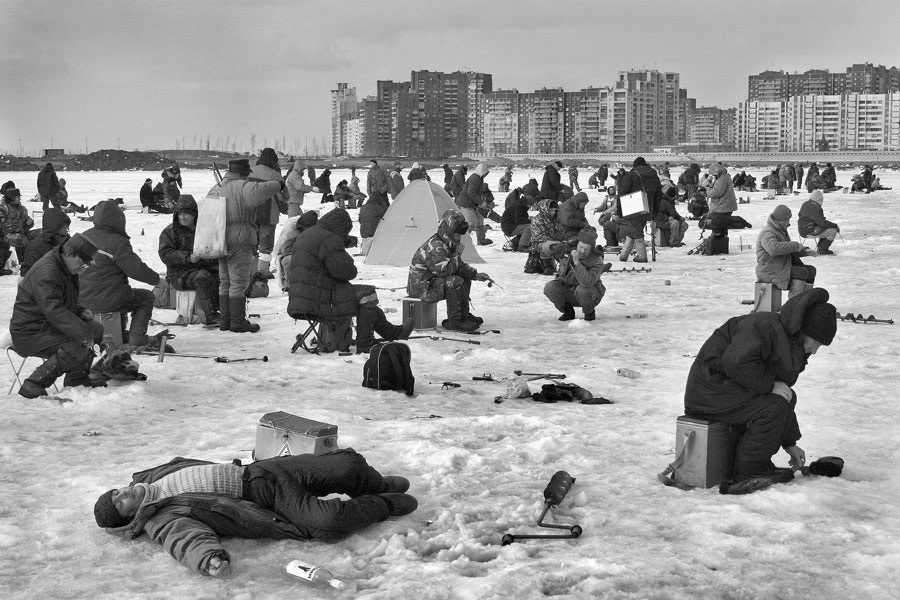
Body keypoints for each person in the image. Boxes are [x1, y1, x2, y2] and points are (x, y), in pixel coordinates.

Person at [92, 450, 417, 577]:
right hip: (265, 497)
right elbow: (184, 540)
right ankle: (383, 504)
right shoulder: (160, 519)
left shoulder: (149, 476)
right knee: (327, 522)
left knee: (345, 464)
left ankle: (376, 485)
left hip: (260, 470)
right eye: (119, 503)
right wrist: (207, 559)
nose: (122, 494)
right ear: (129, 518)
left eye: (115, 493)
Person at [684, 288, 837, 493]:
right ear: (803, 331)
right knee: (773, 405)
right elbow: (736, 361)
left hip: (726, 391)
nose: (815, 350)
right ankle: (750, 471)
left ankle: (755, 465)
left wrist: (789, 443)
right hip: (709, 391)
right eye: (815, 342)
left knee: (785, 397)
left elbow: (784, 395)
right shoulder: (763, 327)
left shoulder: (790, 340)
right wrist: (770, 385)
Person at [288, 208, 413, 352]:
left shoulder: (308, 235)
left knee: (362, 300)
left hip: (301, 298)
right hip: (320, 299)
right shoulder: (329, 238)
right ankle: (365, 343)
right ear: (340, 227)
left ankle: (394, 333)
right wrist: (342, 250)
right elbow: (347, 271)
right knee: (367, 294)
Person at [10, 233, 106, 397]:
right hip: (29, 332)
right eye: (82, 263)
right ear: (70, 254)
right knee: (77, 343)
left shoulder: (63, 268)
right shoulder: (48, 272)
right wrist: (82, 332)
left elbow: (61, 300)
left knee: (96, 329)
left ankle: (78, 379)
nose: (82, 268)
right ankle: (34, 383)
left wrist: (80, 310)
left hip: (46, 325)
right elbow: (54, 310)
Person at [207, 158, 284, 333]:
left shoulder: (216, 188)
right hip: (240, 238)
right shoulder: (244, 187)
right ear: (244, 172)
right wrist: (279, 184)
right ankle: (237, 322)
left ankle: (225, 321)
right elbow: (266, 188)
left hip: (220, 239)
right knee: (238, 283)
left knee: (225, 281)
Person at [78, 200, 160, 347]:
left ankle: (119, 333)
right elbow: (136, 269)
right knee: (145, 297)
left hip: (83, 300)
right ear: (118, 219)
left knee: (119, 293)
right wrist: (156, 280)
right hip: (109, 300)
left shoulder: (83, 237)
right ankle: (137, 336)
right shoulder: (117, 242)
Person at [407, 210, 493, 332]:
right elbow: (445, 271)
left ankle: (463, 315)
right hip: (421, 289)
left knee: (465, 278)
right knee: (454, 281)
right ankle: (454, 321)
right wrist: (457, 252)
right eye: (458, 233)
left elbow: (458, 266)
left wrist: (474, 274)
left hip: (431, 283)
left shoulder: (447, 242)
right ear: (450, 230)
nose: (460, 236)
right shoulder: (436, 246)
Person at [158, 196, 221, 325]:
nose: (182, 217)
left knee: (223, 276)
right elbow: (165, 254)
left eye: (186, 214)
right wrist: (188, 257)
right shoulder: (170, 232)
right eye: (180, 214)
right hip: (179, 274)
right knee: (202, 277)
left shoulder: (203, 230)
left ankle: (227, 312)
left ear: (194, 215)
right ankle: (211, 316)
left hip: (204, 267)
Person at [543, 229, 608, 322]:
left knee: (583, 289)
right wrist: (553, 247)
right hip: (569, 291)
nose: (582, 251)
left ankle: (589, 312)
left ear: (592, 249)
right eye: (581, 247)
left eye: (586, 249)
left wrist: (577, 262)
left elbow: (587, 282)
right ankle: (568, 312)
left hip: (589, 295)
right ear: (577, 244)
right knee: (550, 287)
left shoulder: (597, 260)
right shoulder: (568, 250)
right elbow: (544, 247)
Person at [756, 204, 816, 292]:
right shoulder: (768, 232)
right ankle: (796, 300)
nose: (788, 222)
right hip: (769, 270)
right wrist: (795, 245)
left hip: (781, 267)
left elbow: (787, 250)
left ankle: (806, 298)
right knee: (801, 272)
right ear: (781, 220)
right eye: (787, 219)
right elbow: (773, 249)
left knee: (811, 270)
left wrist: (805, 251)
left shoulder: (780, 230)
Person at [616, 157, 662, 263]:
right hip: (648, 206)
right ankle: (623, 255)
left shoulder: (632, 174)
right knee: (634, 229)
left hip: (634, 205)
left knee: (636, 229)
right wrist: (655, 210)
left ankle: (642, 256)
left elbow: (622, 192)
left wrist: (619, 210)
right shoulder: (653, 175)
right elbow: (659, 194)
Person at [249, 148, 284, 280]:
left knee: (251, 242)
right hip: (269, 213)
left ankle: (250, 269)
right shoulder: (275, 175)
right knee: (266, 244)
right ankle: (263, 270)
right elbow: (283, 196)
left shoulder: (249, 171)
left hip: (250, 212)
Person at [21, 208, 70, 278]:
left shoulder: (67, 240)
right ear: (54, 228)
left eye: (67, 225)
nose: (66, 228)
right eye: (63, 226)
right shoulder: (36, 247)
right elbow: (27, 272)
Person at [455, 163, 493, 246]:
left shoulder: (478, 179)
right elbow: (471, 192)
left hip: (472, 204)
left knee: (479, 221)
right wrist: (481, 202)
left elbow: (476, 192)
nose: (486, 175)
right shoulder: (475, 179)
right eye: (485, 173)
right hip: (465, 203)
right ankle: (461, 241)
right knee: (471, 223)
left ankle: (481, 240)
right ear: (482, 172)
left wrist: (482, 201)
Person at [526, 200, 567, 275]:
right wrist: (554, 242)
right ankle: (548, 266)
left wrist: (563, 240)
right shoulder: (538, 219)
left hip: (554, 242)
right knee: (549, 246)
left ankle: (565, 265)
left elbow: (561, 232)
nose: (553, 212)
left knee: (565, 246)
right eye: (551, 210)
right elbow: (538, 236)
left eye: (554, 210)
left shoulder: (556, 219)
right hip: (539, 244)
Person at [704, 162, 738, 244]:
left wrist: (706, 192)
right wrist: (709, 183)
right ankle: (721, 244)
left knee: (717, 227)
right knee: (722, 228)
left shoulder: (722, 179)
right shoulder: (722, 177)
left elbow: (716, 193)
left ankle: (717, 244)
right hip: (724, 206)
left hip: (722, 207)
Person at [0, 186, 34, 266]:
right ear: (11, 198)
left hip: (22, 233)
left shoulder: (22, 209)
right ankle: (23, 261)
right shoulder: (3, 209)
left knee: (41, 234)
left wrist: (29, 223)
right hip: (6, 235)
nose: (19, 199)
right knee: (21, 239)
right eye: (17, 197)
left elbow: (28, 221)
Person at [797, 189, 839, 256]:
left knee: (823, 228)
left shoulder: (805, 204)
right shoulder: (816, 207)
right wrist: (835, 226)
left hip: (802, 230)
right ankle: (822, 250)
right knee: (832, 231)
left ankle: (820, 248)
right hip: (810, 231)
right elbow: (821, 222)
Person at [500, 188, 532, 252]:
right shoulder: (518, 207)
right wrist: (531, 220)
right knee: (530, 227)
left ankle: (517, 243)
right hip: (509, 227)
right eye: (530, 205)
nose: (530, 207)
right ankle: (522, 246)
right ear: (527, 203)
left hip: (510, 226)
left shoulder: (520, 205)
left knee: (528, 225)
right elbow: (518, 220)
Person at [359, 191, 389, 255]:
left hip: (363, 232)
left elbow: (360, 220)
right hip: (375, 233)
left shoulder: (363, 207)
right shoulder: (381, 207)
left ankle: (365, 251)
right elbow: (386, 219)